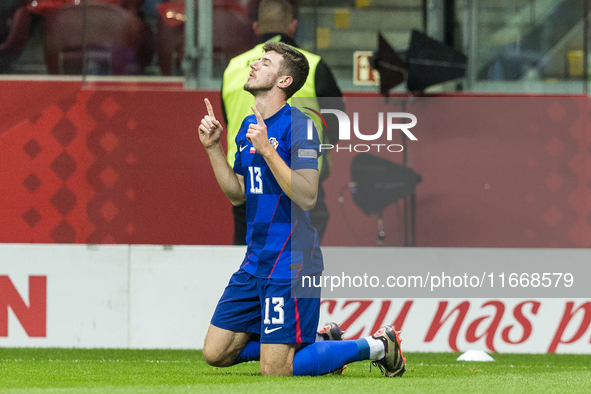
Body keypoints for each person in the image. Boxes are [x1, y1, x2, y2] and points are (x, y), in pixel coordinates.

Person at [198, 40, 405, 377]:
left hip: (291, 260)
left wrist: (267, 150)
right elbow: (238, 194)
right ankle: (319, 342)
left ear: (283, 81)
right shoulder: (246, 129)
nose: (254, 65)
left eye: (265, 63)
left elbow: (307, 195)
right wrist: (212, 149)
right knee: (215, 353)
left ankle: (380, 345)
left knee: (275, 371)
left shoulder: (300, 126)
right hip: (256, 260)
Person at [221, 0, 344, 246]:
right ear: (293, 26)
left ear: (256, 27)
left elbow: (229, 120)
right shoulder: (313, 66)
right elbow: (337, 125)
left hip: (247, 183)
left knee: (252, 260)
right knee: (296, 267)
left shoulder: (233, 68)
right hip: (297, 181)